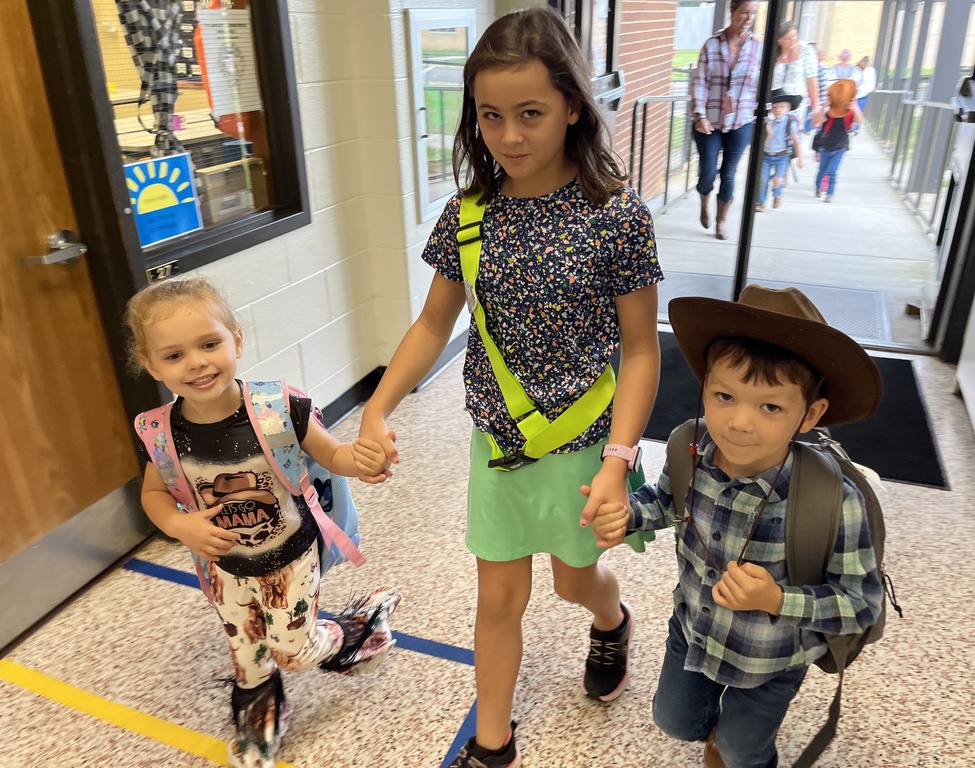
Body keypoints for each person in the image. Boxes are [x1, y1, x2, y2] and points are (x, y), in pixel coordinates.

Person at [357, 8, 662, 768]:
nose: (510, 136)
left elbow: (639, 349)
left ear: (572, 106)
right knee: (498, 599)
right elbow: (432, 324)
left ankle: (612, 618)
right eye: (491, 116)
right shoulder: (469, 215)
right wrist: (377, 405)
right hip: (500, 442)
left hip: (589, 443)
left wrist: (620, 462)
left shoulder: (615, 215)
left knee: (572, 581)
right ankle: (492, 746)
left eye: (530, 113)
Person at [588, 284, 885, 768]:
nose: (740, 422)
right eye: (724, 395)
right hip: (694, 630)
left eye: (771, 406)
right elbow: (666, 502)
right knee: (675, 721)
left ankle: (736, 749)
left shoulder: (831, 500)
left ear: (810, 414)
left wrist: (775, 599)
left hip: (773, 661)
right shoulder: (690, 448)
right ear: (704, 386)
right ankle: (715, 735)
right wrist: (629, 515)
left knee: (742, 751)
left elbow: (861, 605)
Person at [125, 275, 400, 768]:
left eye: (209, 343)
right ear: (150, 365)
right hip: (222, 565)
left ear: (237, 339)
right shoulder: (160, 432)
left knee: (292, 649)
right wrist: (176, 525)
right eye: (173, 356)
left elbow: (331, 453)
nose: (196, 362)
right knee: (245, 647)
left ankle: (355, 630)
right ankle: (258, 705)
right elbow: (152, 493)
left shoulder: (276, 409)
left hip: (289, 557)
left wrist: (361, 459)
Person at [690, 0, 763, 240]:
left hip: (740, 121)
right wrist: (700, 115)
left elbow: (762, 86)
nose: (748, 18)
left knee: (729, 172)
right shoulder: (712, 44)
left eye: (752, 14)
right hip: (709, 121)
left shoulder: (757, 48)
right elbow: (699, 82)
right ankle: (704, 198)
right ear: (732, 11)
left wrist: (767, 118)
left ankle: (721, 221)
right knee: (708, 172)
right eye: (744, 13)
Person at [813, 78, 864, 202]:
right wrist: (824, 105)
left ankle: (830, 194)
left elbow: (859, 121)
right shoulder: (828, 112)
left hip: (840, 147)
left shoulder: (849, 113)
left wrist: (855, 108)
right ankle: (819, 186)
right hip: (825, 147)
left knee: (832, 171)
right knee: (822, 171)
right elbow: (818, 121)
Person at [756, 91, 803, 212]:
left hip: (782, 156)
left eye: (782, 107)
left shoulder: (790, 122)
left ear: (788, 108)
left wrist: (800, 159)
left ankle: (777, 194)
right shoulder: (767, 122)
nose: (778, 110)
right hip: (766, 155)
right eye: (775, 107)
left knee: (778, 179)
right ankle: (761, 203)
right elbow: (760, 140)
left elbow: (796, 141)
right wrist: (767, 132)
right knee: (762, 179)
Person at [771, 22, 819, 135]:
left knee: (792, 137)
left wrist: (816, 106)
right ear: (779, 40)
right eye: (788, 38)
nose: (793, 40)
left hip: (796, 105)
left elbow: (812, 80)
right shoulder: (773, 54)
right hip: (775, 105)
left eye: (795, 36)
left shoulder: (806, 51)